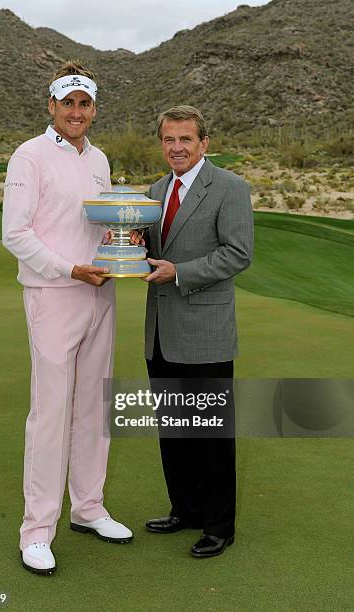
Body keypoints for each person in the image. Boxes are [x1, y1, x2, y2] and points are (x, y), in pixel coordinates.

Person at [2, 60, 132, 576]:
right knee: (51, 412)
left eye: (85, 103)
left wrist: (121, 246)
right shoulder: (28, 156)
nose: (76, 111)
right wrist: (69, 269)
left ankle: (88, 507)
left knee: (93, 407)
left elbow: (96, 225)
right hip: (54, 293)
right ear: (51, 106)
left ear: (93, 109)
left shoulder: (98, 159)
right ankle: (37, 530)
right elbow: (16, 234)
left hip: (99, 292)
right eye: (68, 103)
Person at [141, 105, 253, 558]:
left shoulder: (230, 188)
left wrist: (180, 272)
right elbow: (149, 248)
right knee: (174, 430)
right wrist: (125, 245)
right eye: (169, 139)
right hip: (160, 332)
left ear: (204, 144)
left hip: (205, 330)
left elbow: (238, 253)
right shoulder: (154, 190)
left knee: (210, 434)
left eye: (186, 139)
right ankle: (184, 509)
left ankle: (218, 525)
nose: (177, 147)